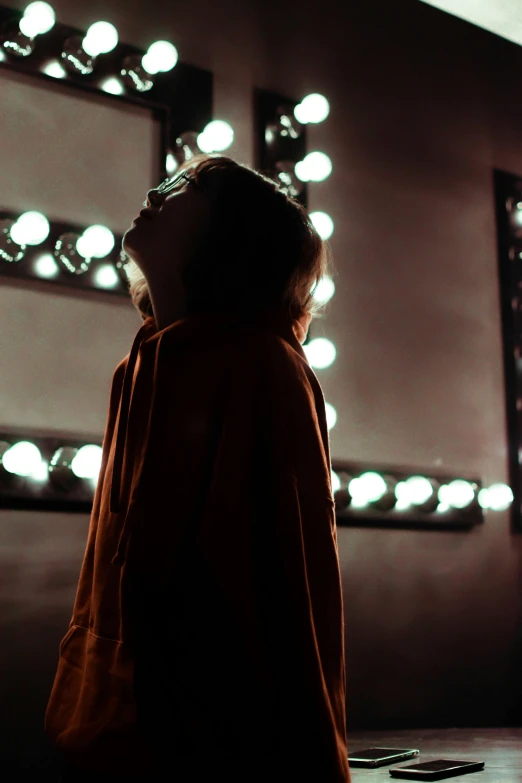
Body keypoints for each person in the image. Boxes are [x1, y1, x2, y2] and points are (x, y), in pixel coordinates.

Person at [45, 154, 352, 782]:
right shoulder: (143, 364)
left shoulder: (260, 363)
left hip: (218, 737)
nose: (159, 191)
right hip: (127, 723)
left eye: (191, 186)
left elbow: (276, 585)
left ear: (234, 229)